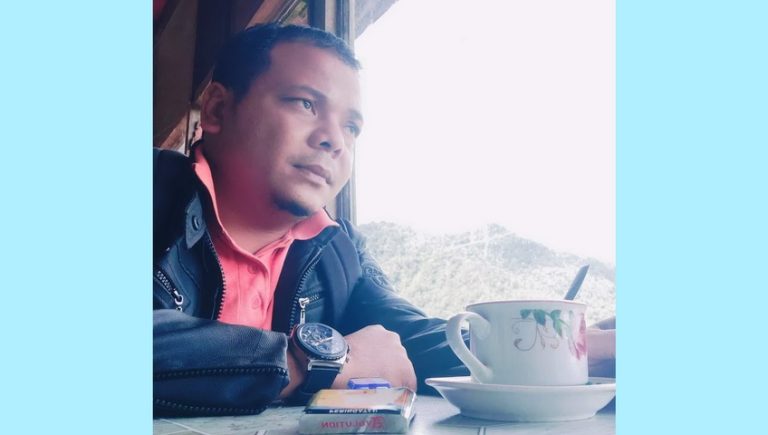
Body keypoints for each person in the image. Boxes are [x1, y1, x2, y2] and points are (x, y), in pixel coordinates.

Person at [153, 23, 615, 417]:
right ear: (217, 109)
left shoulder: (336, 249)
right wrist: (309, 362)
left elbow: (409, 340)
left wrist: (574, 347)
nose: (333, 140)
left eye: (351, 127)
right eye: (305, 104)